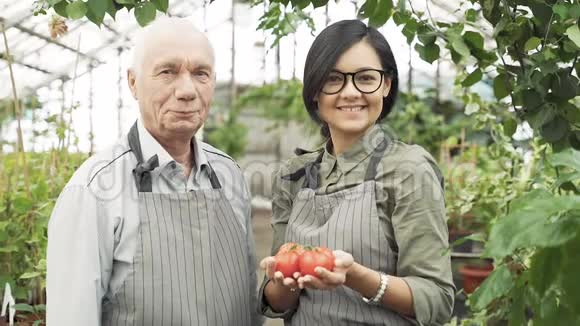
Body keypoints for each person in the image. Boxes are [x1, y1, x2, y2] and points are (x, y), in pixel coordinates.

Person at [46, 17, 262, 326]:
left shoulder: (229, 174)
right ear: (133, 82)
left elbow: (249, 302)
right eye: (168, 72)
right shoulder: (93, 190)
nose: (187, 90)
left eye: (201, 73)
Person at [259, 19, 455, 325]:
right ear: (314, 91)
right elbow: (278, 302)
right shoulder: (292, 176)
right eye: (333, 79)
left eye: (365, 78)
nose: (350, 92)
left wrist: (356, 276)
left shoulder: (408, 170)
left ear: (386, 85)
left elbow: (437, 299)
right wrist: (284, 281)